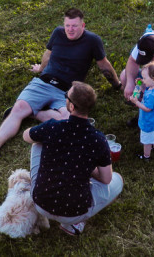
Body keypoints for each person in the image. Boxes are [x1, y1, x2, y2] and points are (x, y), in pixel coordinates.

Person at [0, 8, 121, 162]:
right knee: (18, 108)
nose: (70, 29)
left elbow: (104, 66)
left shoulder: (93, 41)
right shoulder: (58, 33)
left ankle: (32, 113)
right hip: (44, 82)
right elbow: (47, 54)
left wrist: (117, 84)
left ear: (83, 26)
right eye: (67, 25)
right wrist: (41, 68)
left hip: (67, 91)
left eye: (74, 26)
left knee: (68, 120)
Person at [23, 81, 123, 236]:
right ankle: (73, 225)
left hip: (41, 203)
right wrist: (87, 168)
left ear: (71, 106)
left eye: (66, 97)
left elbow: (26, 136)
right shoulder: (98, 139)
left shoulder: (53, 127)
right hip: (74, 211)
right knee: (118, 180)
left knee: (37, 144)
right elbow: (106, 179)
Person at [129, 61, 154, 160]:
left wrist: (136, 102)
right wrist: (141, 87)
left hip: (149, 121)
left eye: (145, 78)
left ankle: (146, 156)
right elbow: (147, 94)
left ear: (153, 79)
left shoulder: (151, 95)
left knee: (147, 141)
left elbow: (147, 108)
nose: (143, 80)